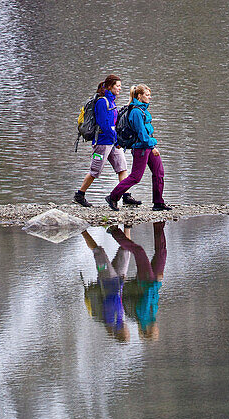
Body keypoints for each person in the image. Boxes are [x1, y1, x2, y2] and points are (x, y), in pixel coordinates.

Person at [74, 76, 141, 209]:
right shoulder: (101, 102)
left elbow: (113, 123)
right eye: (118, 86)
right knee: (95, 171)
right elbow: (104, 124)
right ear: (110, 86)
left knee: (122, 167)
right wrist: (116, 139)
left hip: (113, 142)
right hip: (102, 143)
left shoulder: (112, 101)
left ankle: (126, 196)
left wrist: (117, 139)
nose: (120, 88)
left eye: (120, 86)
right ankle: (80, 195)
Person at [106, 84, 171, 212]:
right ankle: (113, 197)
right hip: (141, 148)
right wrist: (152, 146)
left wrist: (152, 145)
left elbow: (147, 131)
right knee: (136, 177)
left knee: (159, 173)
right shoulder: (135, 111)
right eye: (147, 95)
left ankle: (158, 203)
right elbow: (141, 133)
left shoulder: (143, 110)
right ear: (139, 96)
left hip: (148, 145)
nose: (149, 97)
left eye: (149, 95)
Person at [108, 223, 167, 340]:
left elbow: (147, 295)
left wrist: (157, 282)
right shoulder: (152, 317)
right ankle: (159, 223)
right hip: (154, 281)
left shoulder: (143, 317)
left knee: (139, 251)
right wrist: (159, 283)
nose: (158, 330)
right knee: (161, 253)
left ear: (149, 330)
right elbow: (154, 297)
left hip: (146, 281)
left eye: (155, 333)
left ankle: (114, 231)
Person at [81, 229, 131, 342]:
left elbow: (111, 299)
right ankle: (127, 226)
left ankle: (82, 230)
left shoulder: (110, 321)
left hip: (105, 278)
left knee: (98, 251)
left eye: (127, 334)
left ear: (121, 333)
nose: (128, 330)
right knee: (126, 249)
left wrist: (110, 331)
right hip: (120, 279)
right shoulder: (120, 319)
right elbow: (119, 299)